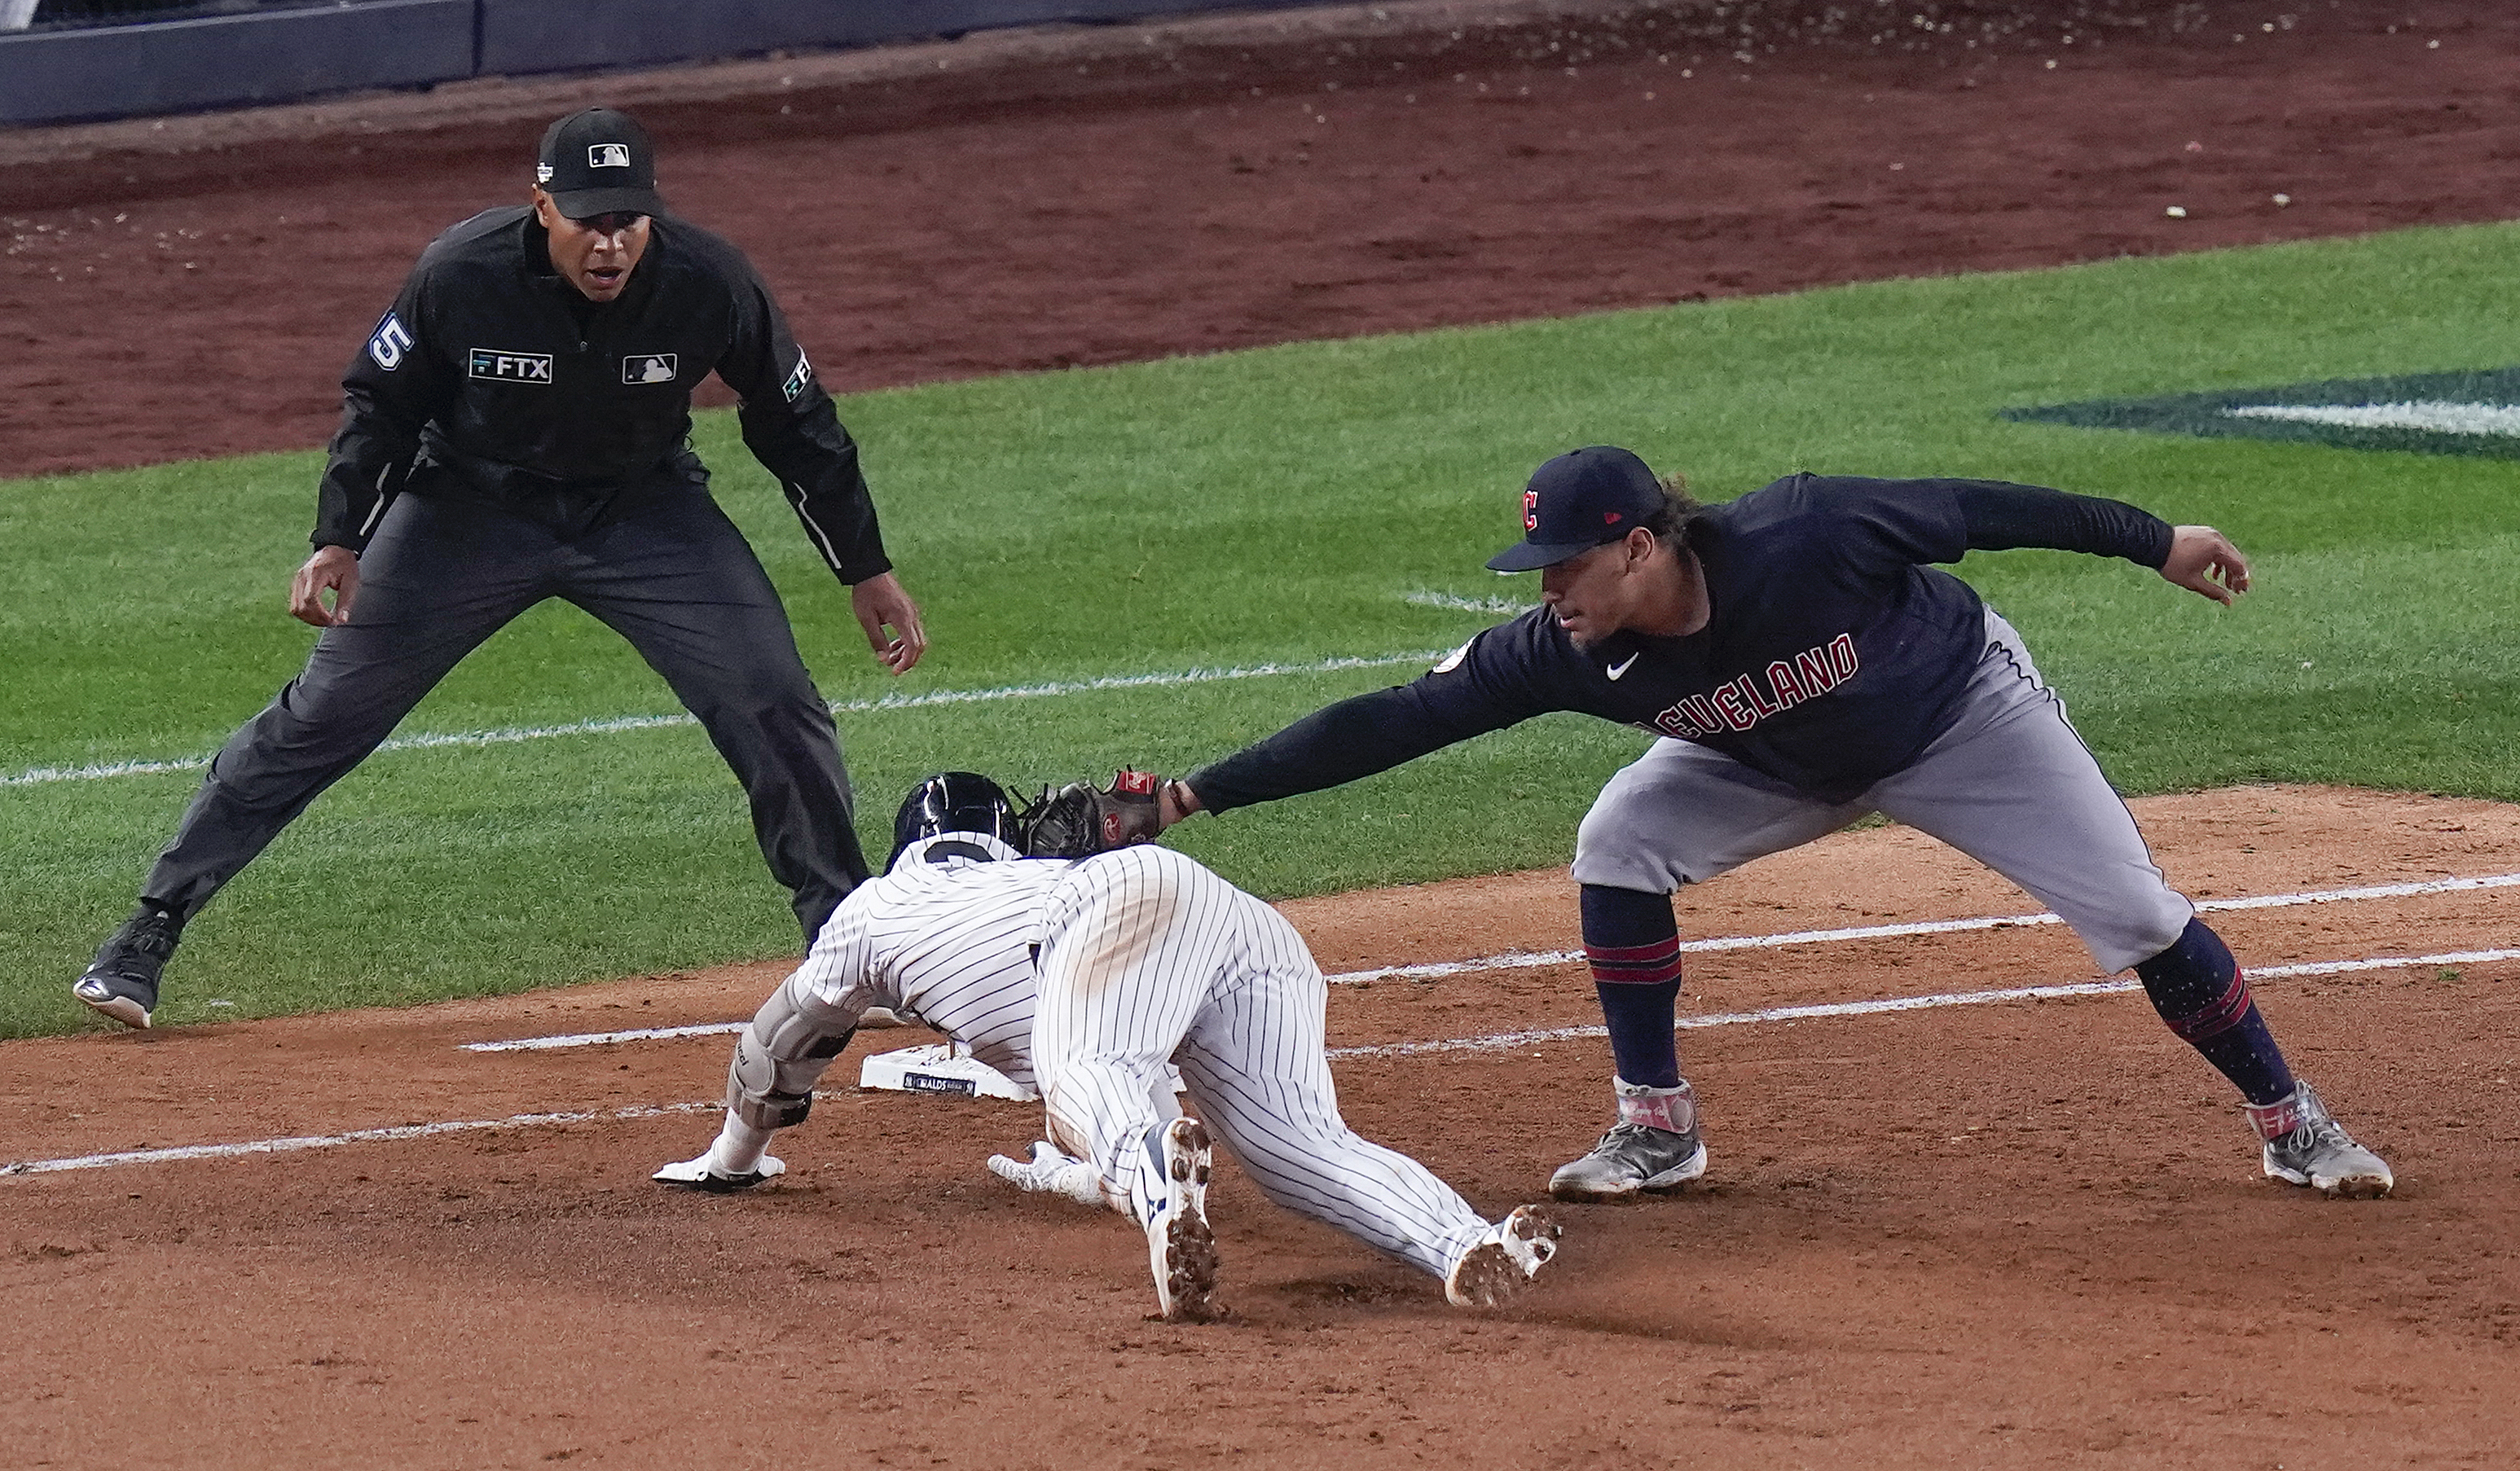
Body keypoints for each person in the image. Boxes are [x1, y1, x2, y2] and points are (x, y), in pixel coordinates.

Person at [1153, 446, 2395, 1203]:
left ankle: (2294, 1124)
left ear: (1640, 546)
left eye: (1567, 566)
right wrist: (1197, 793)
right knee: (1619, 843)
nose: (1548, 594)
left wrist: (2156, 541)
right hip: (1768, 757)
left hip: (1960, 718)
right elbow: (1391, 720)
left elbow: (1983, 507)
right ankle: (1657, 1127)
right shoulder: (1566, 648)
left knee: (2133, 910)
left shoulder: (1810, 534)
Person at [71, 108, 924, 1030]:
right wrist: (340, 538)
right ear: (541, 207)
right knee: (326, 716)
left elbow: (797, 426)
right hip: (464, 514)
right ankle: (147, 933)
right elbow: (380, 408)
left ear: (653, 215)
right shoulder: (460, 273)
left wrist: (863, 567)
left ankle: (842, 947)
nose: (611, 244)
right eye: (589, 219)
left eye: (628, 220)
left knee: (770, 696)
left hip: (642, 511)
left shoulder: (709, 282)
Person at [655, 772, 1563, 1322]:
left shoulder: (874, 909)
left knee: (1086, 1079)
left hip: (1115, 906)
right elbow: (1141, 1075)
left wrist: (734, 1159)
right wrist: (1077, 1173)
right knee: (1300, 1152)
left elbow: (778, 1045)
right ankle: (1465, 1245)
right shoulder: (1022, 878)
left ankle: (1158, 1197)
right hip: (1232, 920)